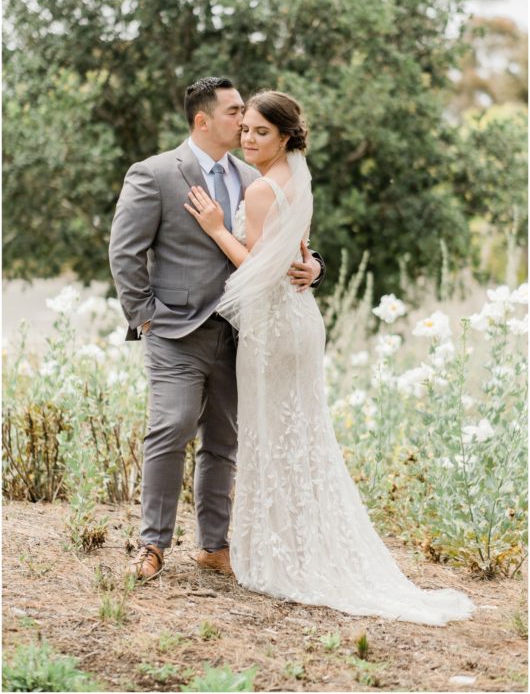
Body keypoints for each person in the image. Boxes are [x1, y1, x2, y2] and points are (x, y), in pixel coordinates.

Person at [184, 89, 477, 625]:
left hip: (274, 328)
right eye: (244, 128)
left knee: (274, 435)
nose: (248, 139)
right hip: (301, 321)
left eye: (260, 132)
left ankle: (280, 555)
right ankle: (296, 543)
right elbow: (297, 249)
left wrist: (216, 230)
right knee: (301, 437)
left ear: (286, 137)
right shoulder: (300, 176)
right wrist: (314, 266)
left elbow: (259, 269)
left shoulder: (262, 191)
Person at [109, 77, 324, 581]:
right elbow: (125, 251)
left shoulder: (257, 177)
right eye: (234, 113)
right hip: (175, 330)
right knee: (171, 427)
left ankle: (213, 546)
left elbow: (285, 241)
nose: (243, 121)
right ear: (203, 120)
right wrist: (144, 315)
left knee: (224, 440)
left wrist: (315, 263)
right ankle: (152, 544)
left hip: (242, 332)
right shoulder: (155, 173)